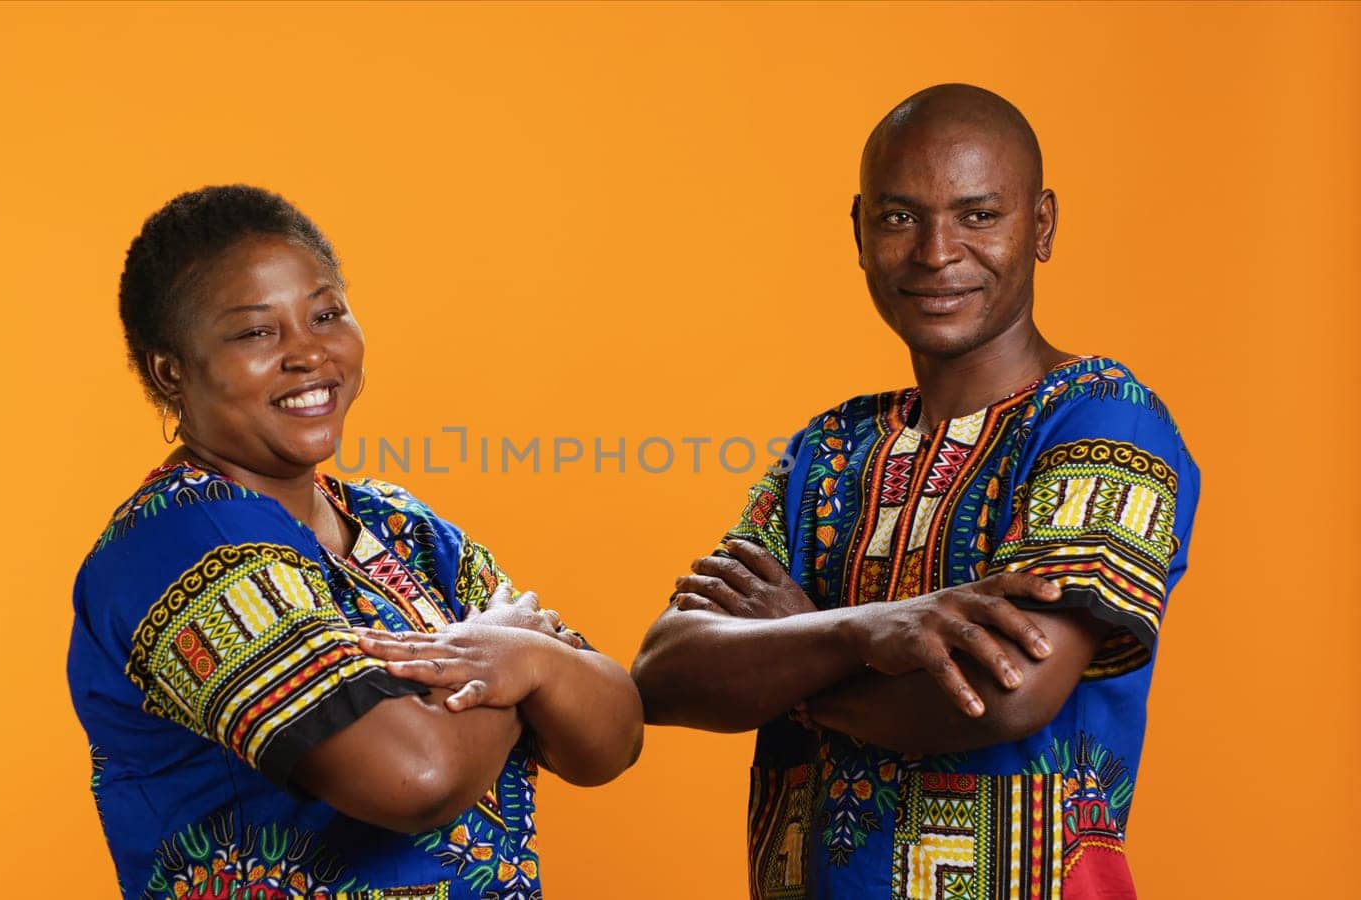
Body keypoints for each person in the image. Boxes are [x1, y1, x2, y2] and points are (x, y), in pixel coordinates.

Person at [632, 84, 1199, 899]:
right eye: (900, 217)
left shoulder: (1104, 421)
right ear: (859, 230)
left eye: (977, 216)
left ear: (1039, 225)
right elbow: (665, 673)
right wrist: (868, 631)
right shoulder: (828, 448)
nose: (936, 253)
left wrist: (794, 646)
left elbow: (1002, 698)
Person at [67, 185, 642, 900]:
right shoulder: (180, 544)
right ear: (171, 371)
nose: (308, 353)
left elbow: (611, 737)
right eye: (256, 332)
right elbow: (416, 777)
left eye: (327, 313)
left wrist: (524, 657)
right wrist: (519, 664)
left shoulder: (401, 525)